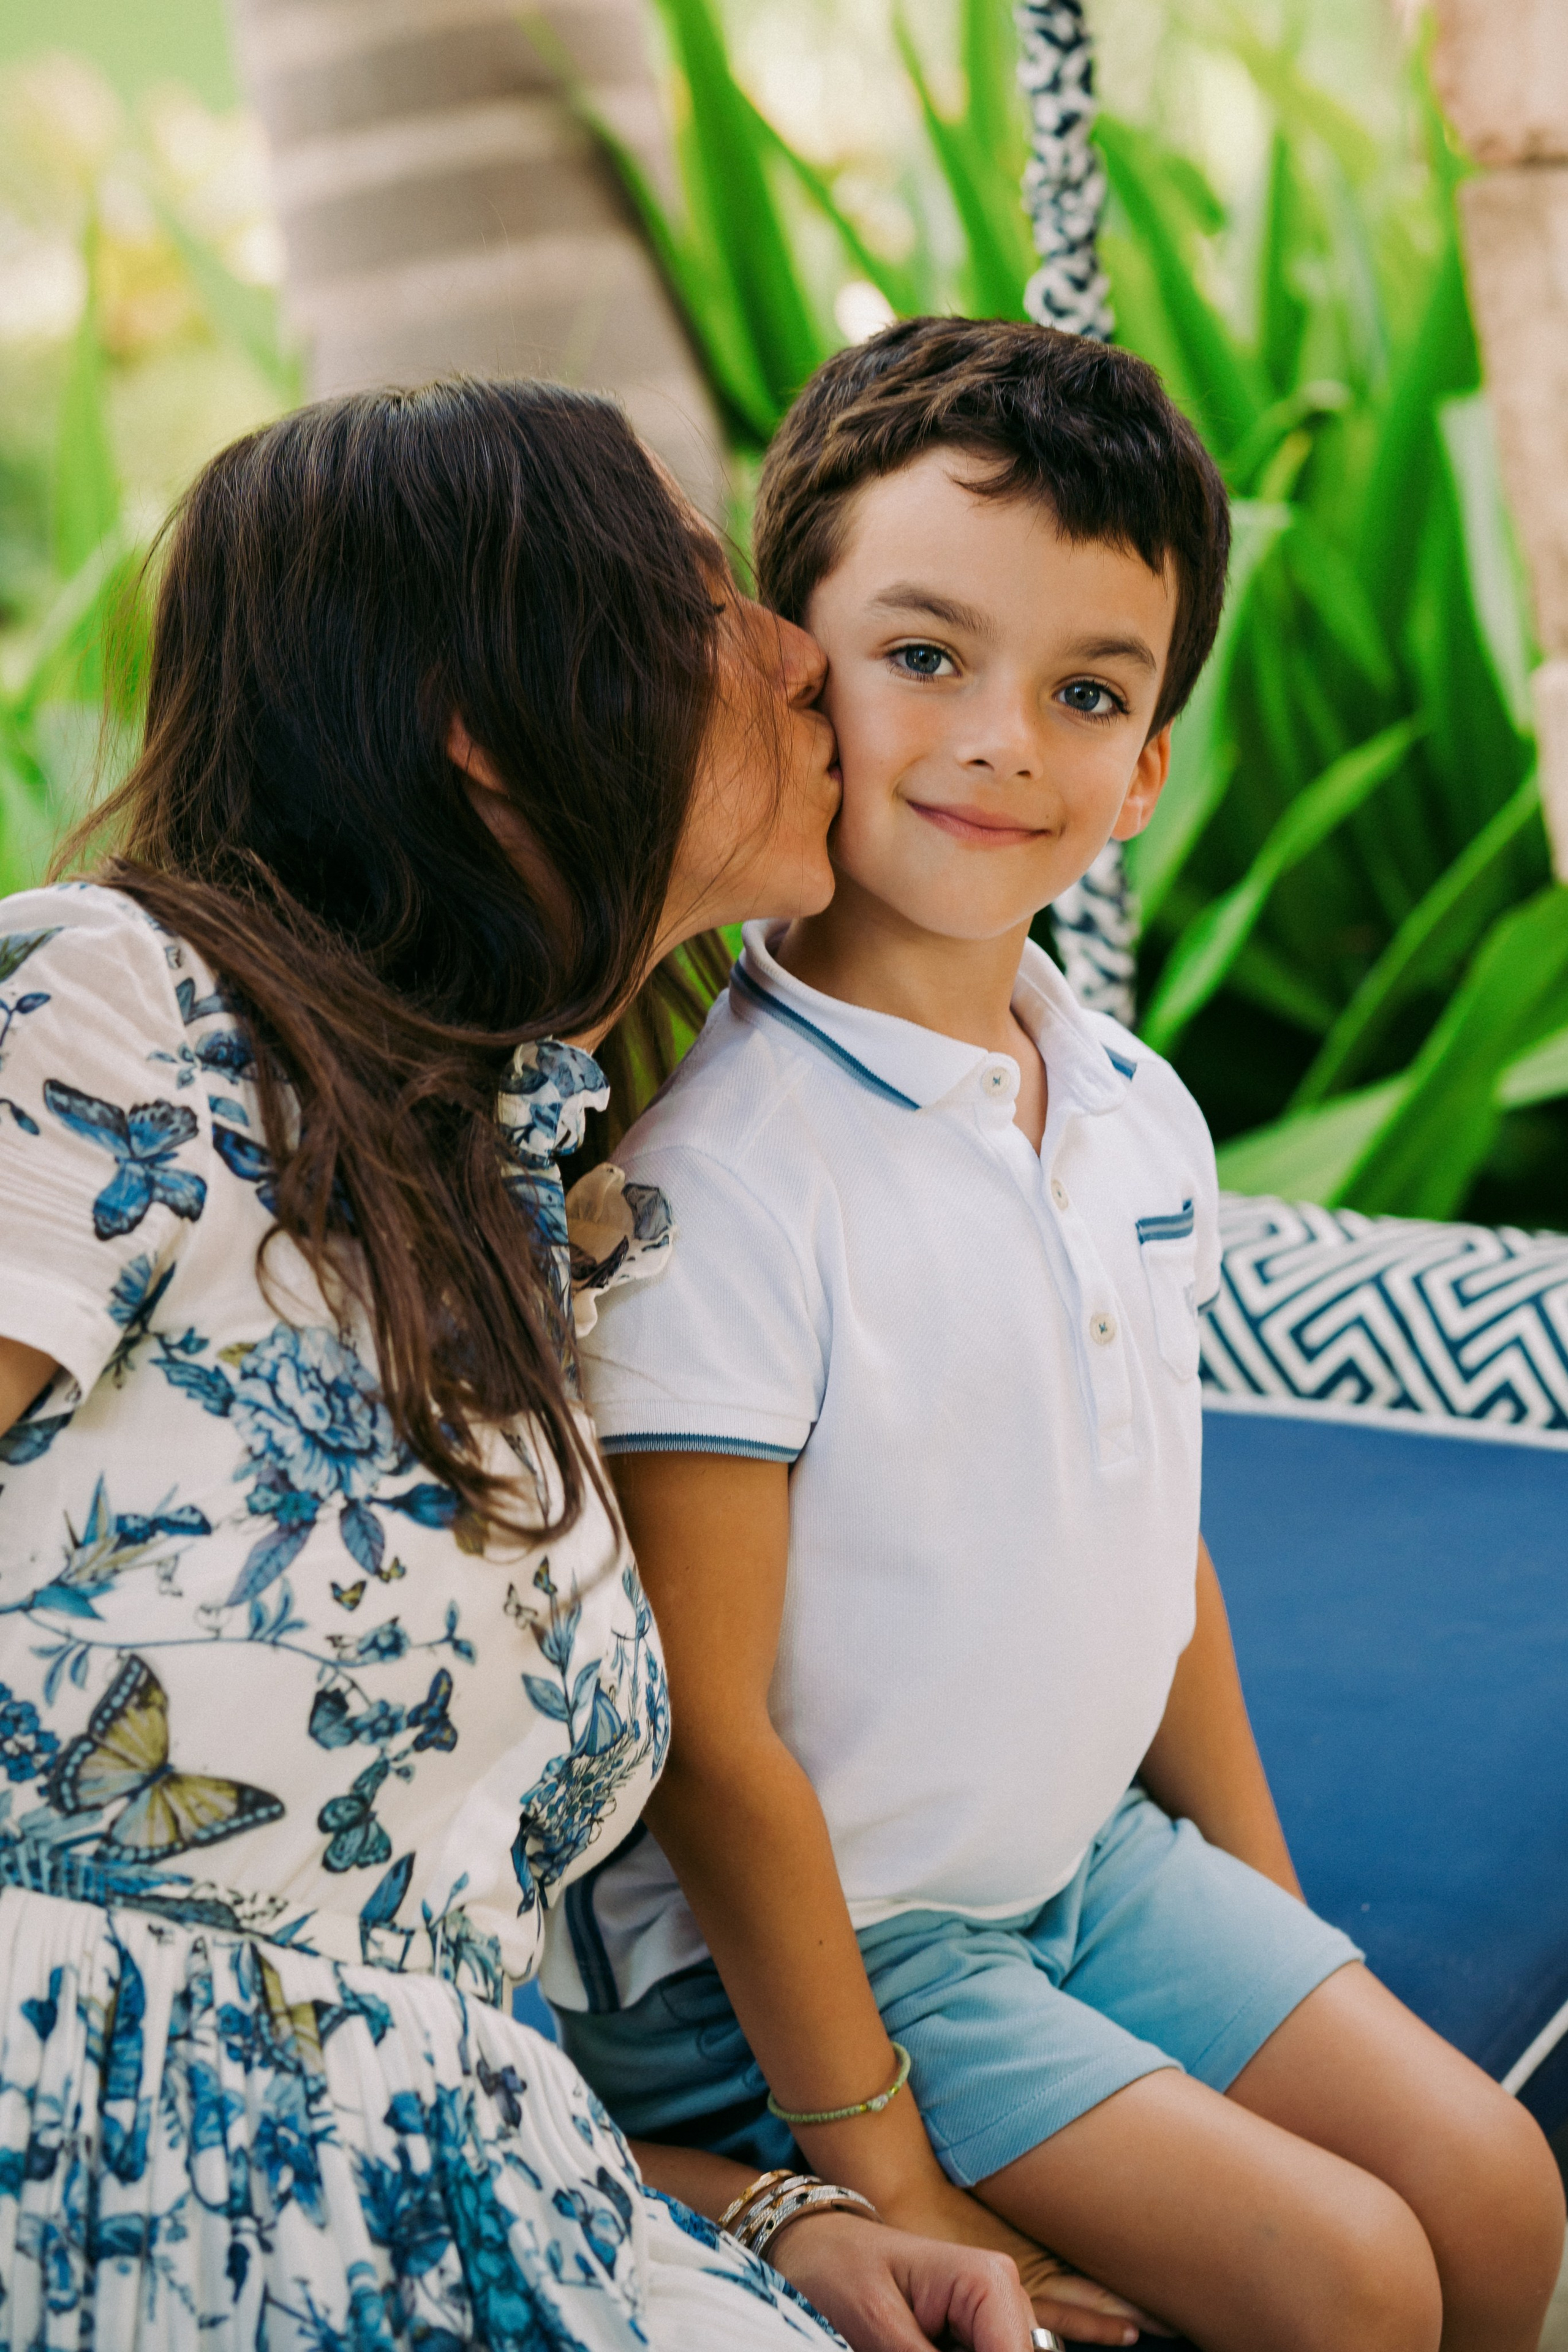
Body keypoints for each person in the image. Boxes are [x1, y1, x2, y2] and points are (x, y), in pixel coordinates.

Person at [0, 378, 1047, 2352]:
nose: (794, 655)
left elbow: (430, 2025)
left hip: (497, 2231)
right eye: (692, 600)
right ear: (477, 725)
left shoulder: (512, 1216)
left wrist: (788, 2215)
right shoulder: (121, 1012)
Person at [561, 320, 1566, 2352]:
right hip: (829, 1951)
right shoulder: (727, 1185)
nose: (1005, 739)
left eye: (1086, 691)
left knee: (1494, 2191)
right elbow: (709, 1739)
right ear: (789, 664)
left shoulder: (1126, 1104)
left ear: (1148, 764)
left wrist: (1282, 1931)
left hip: (1074, 1865)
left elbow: (1151, 1545)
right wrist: (890, 2169)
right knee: (1351, 2279)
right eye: (925, 656)